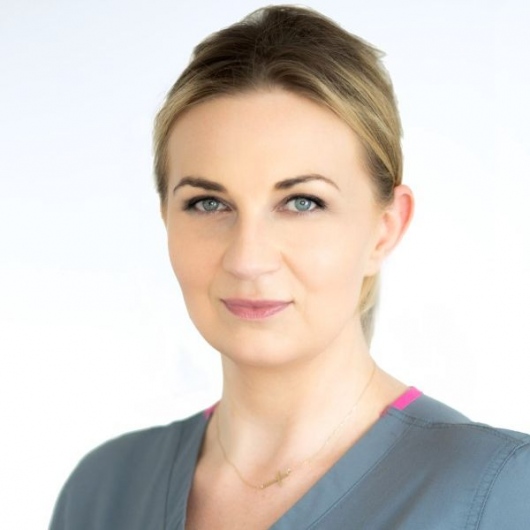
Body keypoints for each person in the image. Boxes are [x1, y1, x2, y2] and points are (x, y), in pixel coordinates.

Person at [49, 5, 530, 529]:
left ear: (385, 227)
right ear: (166, 217)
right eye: (208, 203)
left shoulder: (497, 492)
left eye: (302, 202)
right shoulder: (103, 492)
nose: (247, 258)